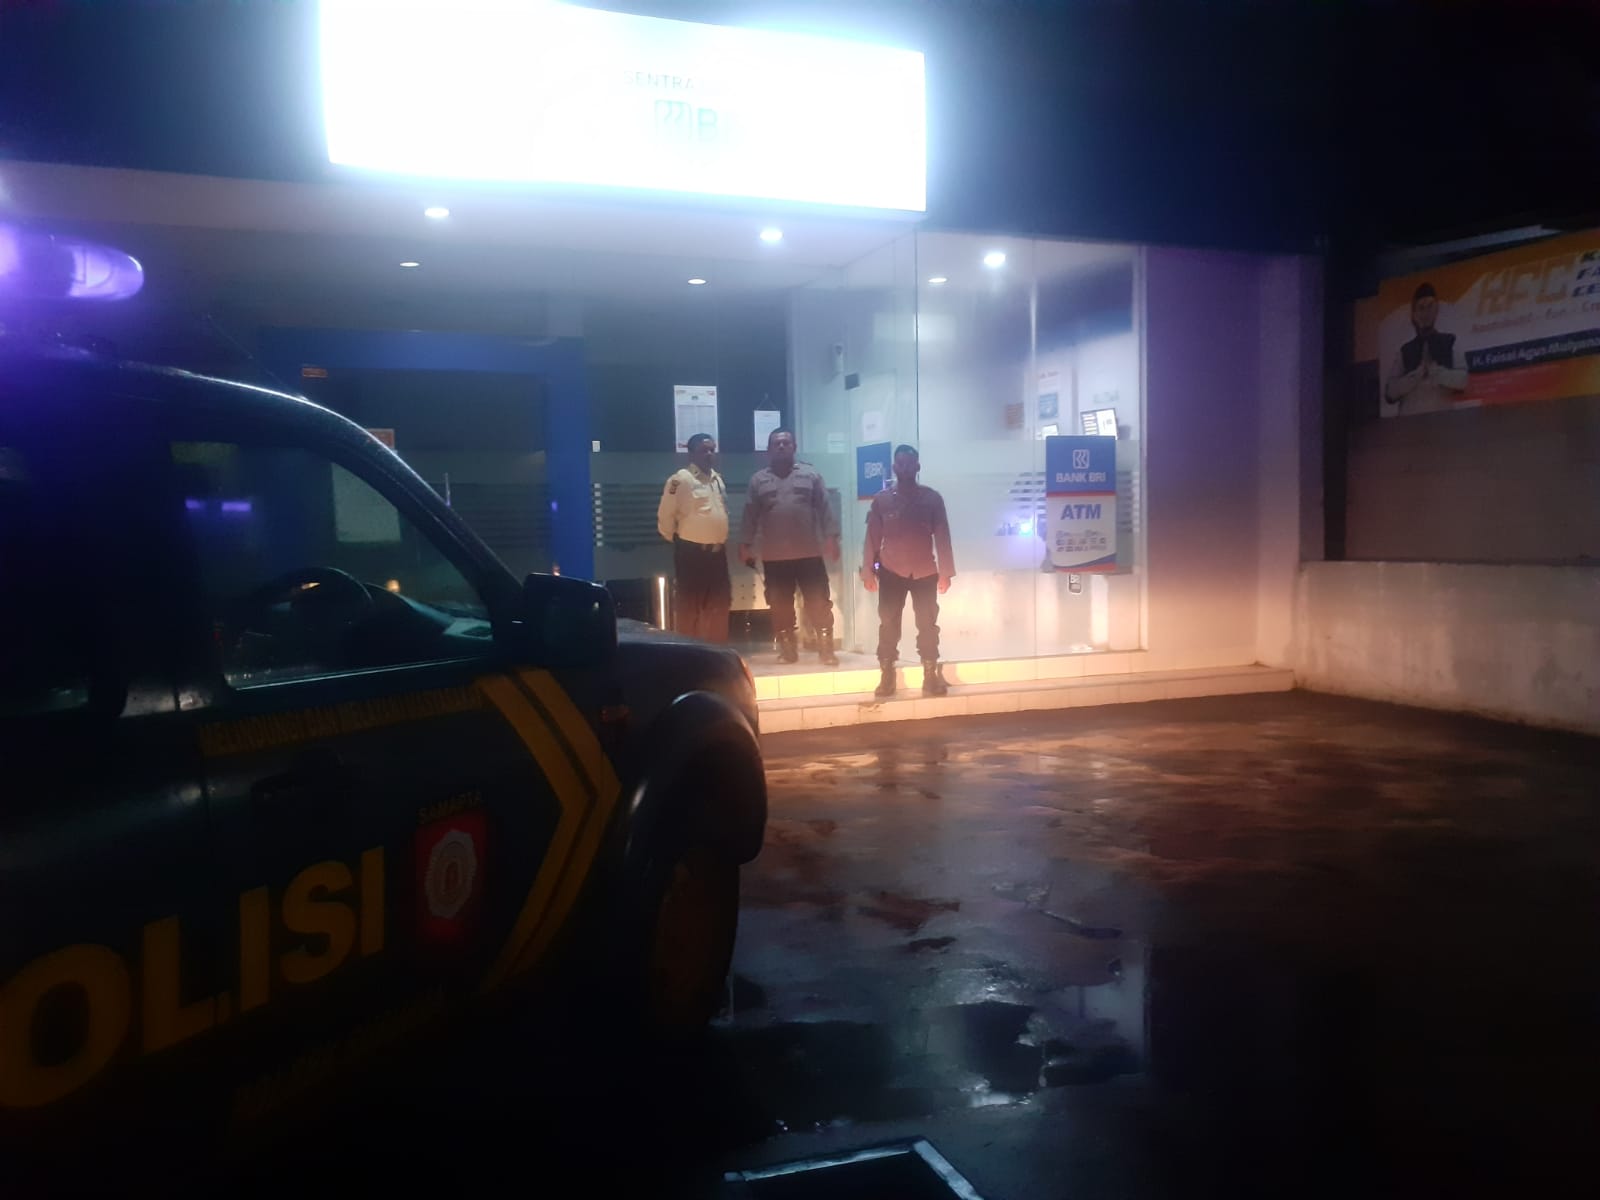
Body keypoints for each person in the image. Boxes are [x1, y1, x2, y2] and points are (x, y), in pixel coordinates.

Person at [738, 428, 841, 665]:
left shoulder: (811, 475)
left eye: (786, 443)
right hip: (774, 557)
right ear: (769, 450)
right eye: (777, 444)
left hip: (809, 553)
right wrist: (745, 544)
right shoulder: (758, 480)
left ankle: (826, 650)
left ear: (794, 447)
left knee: (818, 601)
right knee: (779, 605)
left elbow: (825, 507)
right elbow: (749, 514)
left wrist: (832, 537)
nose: (782, 447)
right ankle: (787, 650)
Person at [861, 444, 955, 698]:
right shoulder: (882, 500)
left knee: (927, 624)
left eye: (910, 463)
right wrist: (868, 571)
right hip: (891, 571)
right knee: (888, 623)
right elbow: (872, 538)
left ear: (917, 467)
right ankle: (887, 675)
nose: (905, 468)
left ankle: (930, 675)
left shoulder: (932, 499)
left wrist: (946, 572)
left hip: (925, 572)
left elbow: (943, 536)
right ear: (894, 467)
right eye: (900, 463)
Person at [656, 432, 730, 643]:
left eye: (712, 450)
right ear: (691, 454)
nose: (709, 454)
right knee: (689, 608)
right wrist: (679, 540)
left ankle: (718, 653)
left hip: (717, 553)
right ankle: (690, 654)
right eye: (704, 450)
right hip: (692, 554)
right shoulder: (681, 480)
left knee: (720, 604)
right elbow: (665, 515)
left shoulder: (717, 479)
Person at [1384, 282, 1469, 416]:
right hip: (1410, 424)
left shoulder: (1450, 341)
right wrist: (1416, 376)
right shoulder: (1405, 350)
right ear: (1414, 314)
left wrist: (1435, 371)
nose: (1426, 313)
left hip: (1443, 422)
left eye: (1430, 306)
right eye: (1421, 308)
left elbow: (1463, 380)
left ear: (1436, 310)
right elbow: (1390, 392)